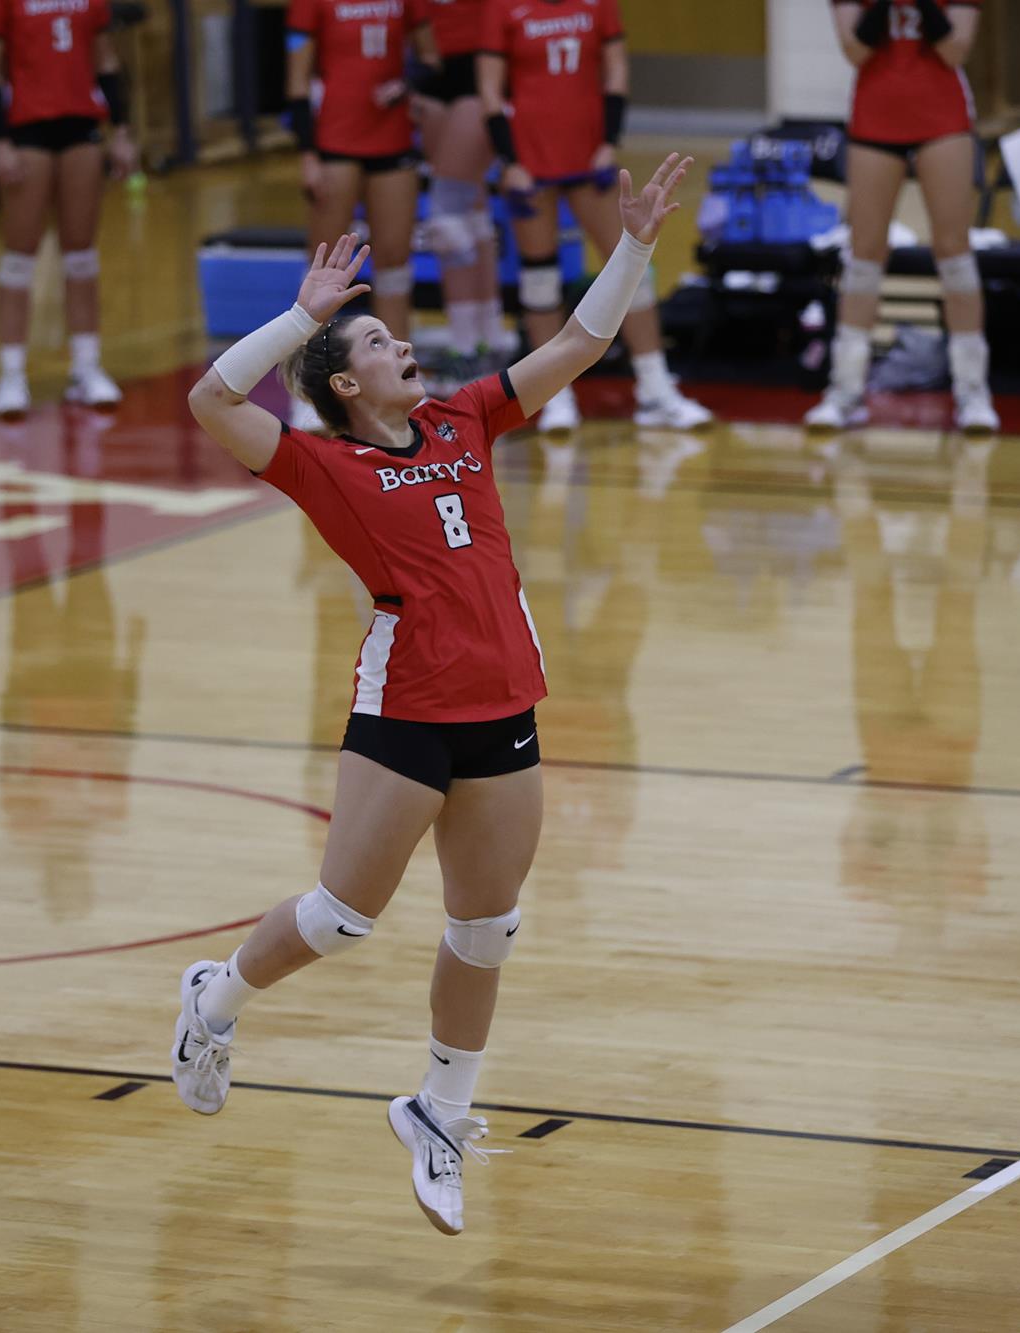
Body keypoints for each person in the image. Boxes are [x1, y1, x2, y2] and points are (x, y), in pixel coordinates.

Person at [178, 156, 691, 1235]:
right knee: (341, 918)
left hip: (505, 707)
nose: (399, 344)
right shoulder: (319, 465)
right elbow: (209, 398)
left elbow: (579, 342)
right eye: (376, 343)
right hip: (405, 711)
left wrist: (634, 245)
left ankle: (439, 1115)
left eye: (391, 335)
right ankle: (213, 1000)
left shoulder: (466, 419)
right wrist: (301, 317)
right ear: (345, 388)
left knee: (487, 930)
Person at [478, 0, 709, 434]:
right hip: (529, 159)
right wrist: (510, 161)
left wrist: (609, 141)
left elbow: (616, 70)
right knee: (540, 280)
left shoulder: (598, 4)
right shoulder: (503, 8)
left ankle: (656, 389)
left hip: (588, 157)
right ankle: (554, 396)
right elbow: (490, 89)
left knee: (632, 268)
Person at [806, 0, 998, 433]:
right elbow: (855, 50)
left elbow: (954, 50)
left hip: (942, 117)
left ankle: (972, 391)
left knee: (954, 252)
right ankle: (845, 390)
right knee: (864, 253)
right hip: (875, 117)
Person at [0, 0, 139, 417]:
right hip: (26, 130)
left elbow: (106, 60)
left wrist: (121, 131)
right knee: (18, 258)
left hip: (80, 127)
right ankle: (11, 374)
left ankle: (86, 366)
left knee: (81, 255)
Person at [284, 0, 436, 351]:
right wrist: (308, 154)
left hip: (393, 141)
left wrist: (404, 84)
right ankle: (310, 375)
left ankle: (397, 371)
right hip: (334, 143)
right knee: (324, 270)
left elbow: (431, 59)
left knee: (394, 265)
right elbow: (297, 82)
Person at [414, 0, 503, 374]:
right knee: (471, 209)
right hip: (428, 72)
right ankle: (490, 339)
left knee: (447, 213)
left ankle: (464, 346)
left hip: (479, 69)